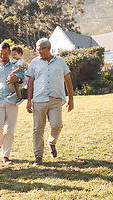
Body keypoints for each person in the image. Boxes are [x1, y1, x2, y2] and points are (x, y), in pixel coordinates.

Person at [26, 38, 74, 166]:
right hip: (39, 99)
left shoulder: (60, 62)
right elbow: (30, 82)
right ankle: (38, 156)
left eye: (42, 49)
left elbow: (68, 80)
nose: (39, 51)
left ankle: (51, 142)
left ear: (49, 48)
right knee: (38, 129)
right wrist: (29, 101)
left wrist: (71, 99)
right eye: (37, 49)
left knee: (57, 125)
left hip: (55, 99)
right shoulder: (34, 63)